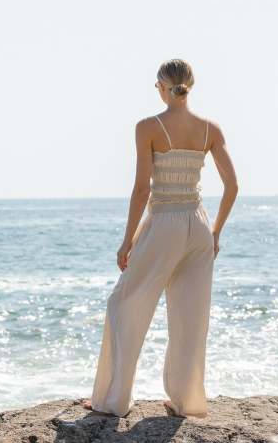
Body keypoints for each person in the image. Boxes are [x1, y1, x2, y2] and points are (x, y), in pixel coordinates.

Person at [83, 58, 239, 418]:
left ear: (162, 87)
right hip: (198, 225)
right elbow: (233, 186)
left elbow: (142, 190)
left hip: (164, 222)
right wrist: (215, 232)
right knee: (190, 316)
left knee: (123, 303)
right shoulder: (210, 129)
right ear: (189, 86)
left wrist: (127, 241)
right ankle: (187, 402)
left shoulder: (147, 127)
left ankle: (112, 400)